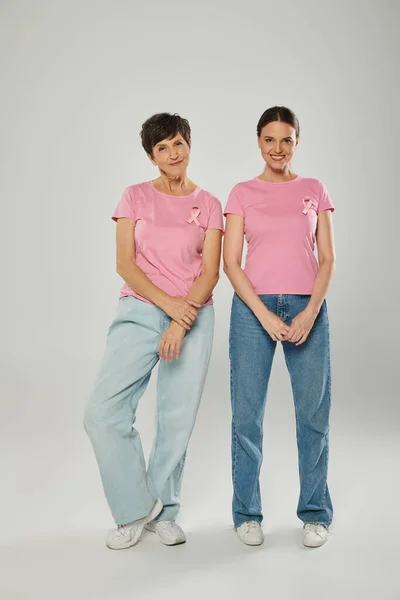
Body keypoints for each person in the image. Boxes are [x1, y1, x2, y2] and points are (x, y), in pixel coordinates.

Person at [84, 113, 223, 549]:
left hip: (195, 316)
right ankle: (136, 507)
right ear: (150, 156)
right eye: (161, 148)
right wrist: (169, 309)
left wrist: (183, 321)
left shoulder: (211, 204)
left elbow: (210, 271)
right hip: (141, 310)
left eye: (178, 143)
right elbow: (125, 263)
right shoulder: (134, 197)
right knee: (102, 414)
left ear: (189, 145)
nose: (172, 153)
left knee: (175, 419)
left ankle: (166, 508)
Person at [223, 106, 336, 548]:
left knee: (313, 414)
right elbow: (231, 263)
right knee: (246, 415)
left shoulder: (314, 189)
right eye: (269, 139)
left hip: (309, 305)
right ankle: (247, 514)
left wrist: (310, 311)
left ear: (296, 143)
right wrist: (265, 315)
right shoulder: (241, 193)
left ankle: (314, 512)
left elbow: (327, 258)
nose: (277, 148)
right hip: (254, 309)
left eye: (286, 140)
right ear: (258, 142)